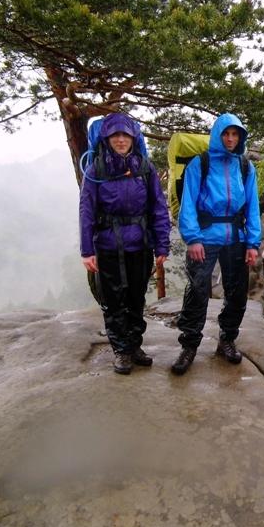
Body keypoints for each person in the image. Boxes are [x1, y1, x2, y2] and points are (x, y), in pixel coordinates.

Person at [79, 112, 171, 375]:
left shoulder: (144, 167)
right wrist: (87, 250)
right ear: (107, 138)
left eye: (125, 135)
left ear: (134, 137)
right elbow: (86, 210)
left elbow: (158, 208)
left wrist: (161, 245)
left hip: (140, 244)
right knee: (114, 299)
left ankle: (133, 346)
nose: (121, 140)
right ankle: (121, 350)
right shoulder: (97, 169)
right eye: (115, 135)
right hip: (108, 246)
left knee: (135, 297)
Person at [172, 113, 261, 375]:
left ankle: (227, 340)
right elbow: (188, 203)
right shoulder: (200, 164)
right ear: (218, 135)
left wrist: (252, 243)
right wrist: (193, 238)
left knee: (236, 293)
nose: (231, 139)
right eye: (227, 134)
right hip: (205, 237)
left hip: (236, 237)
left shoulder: (245, 167)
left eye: (236, 134)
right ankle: (188, 346)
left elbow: (252, 206)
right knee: (198, 291)